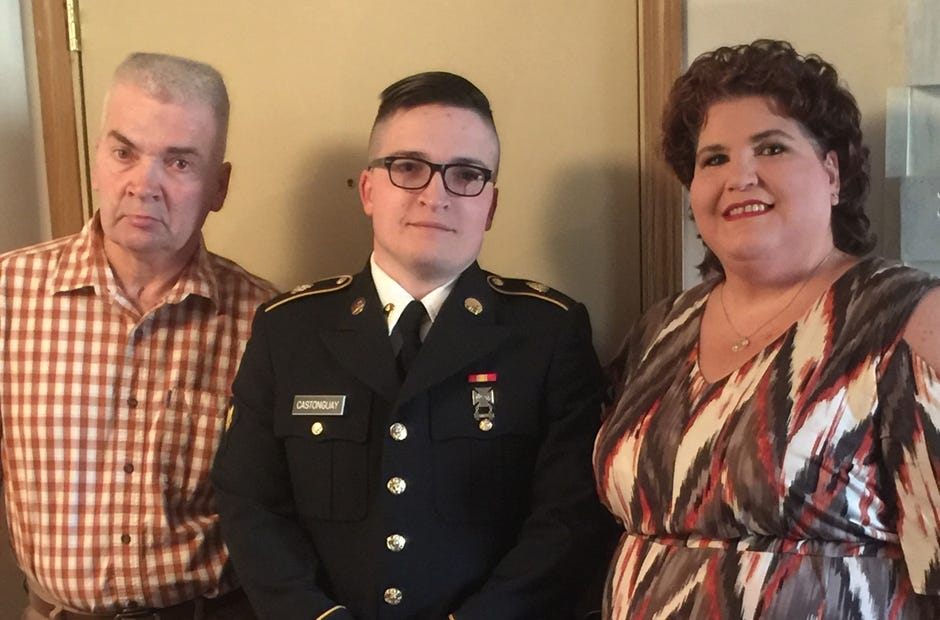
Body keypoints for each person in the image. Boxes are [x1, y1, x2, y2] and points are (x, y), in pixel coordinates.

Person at [211, 71, 614, 619]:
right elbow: (250, 505)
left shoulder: (548, 334)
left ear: (490, 206)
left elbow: (568, 520)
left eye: (466, 175)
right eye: (408, 168)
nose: (435, 195)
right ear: (368, 190)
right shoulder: (289, 331)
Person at [593, 39, 940, 619]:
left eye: (771, 148)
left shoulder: (903, 316)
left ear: (832, 173)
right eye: (714, 159)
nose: (740, 177)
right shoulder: (661, 328)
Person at [0, 52, 277, 619]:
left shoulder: (265, 320)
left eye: (179, 163)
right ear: (97, 157)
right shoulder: (7, 296)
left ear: (218, 186)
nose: (143, 184)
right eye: (124, 152)